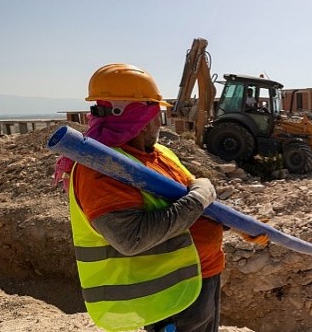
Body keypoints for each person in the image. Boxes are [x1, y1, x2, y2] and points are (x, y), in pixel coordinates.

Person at [53, 63, 268, 332]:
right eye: (157, 113)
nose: (159, 122)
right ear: (141, 118)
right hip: (170, 297)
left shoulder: (159, 154)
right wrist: (201, 196)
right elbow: (132, 238)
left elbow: (187, 202)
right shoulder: (100, 170)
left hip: (200, 278)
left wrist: (234, 224)